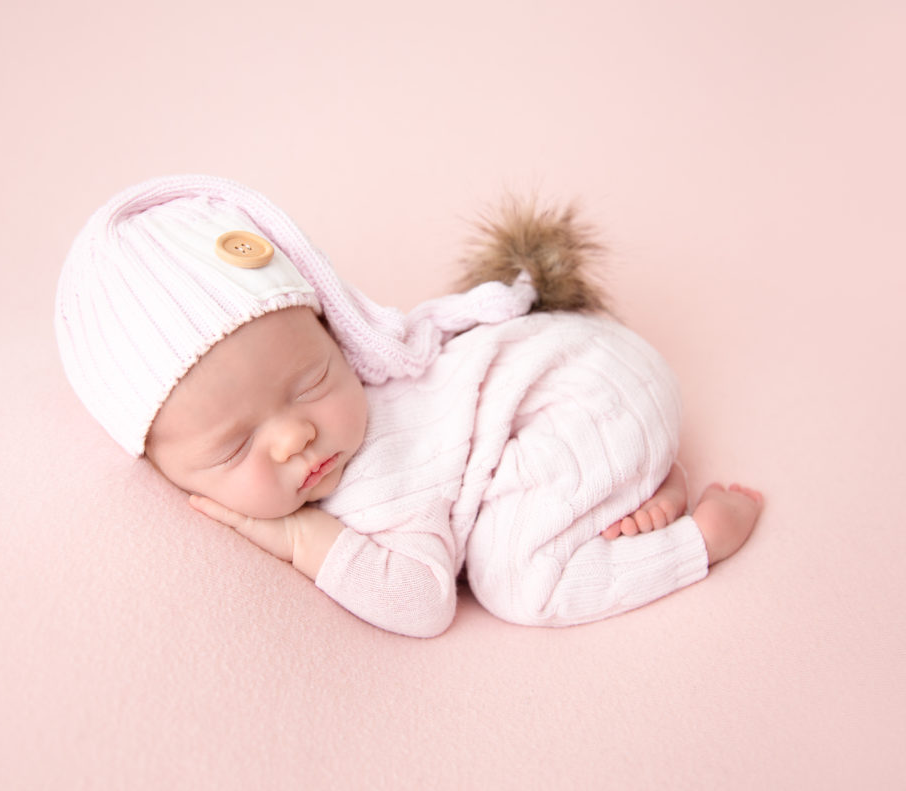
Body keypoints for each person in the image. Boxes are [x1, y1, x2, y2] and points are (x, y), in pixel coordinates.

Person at [55, 174, 762, 638]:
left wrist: (301, 539)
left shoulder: (376, 477)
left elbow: (425, 604)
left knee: (516, 581)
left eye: (311, 381)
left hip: (582, 390)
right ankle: (635, 477)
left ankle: (698, 537)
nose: (294, 436)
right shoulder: (310, 434)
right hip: (587, 381)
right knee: (516, 513)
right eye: (234, 446)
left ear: (336, 329)